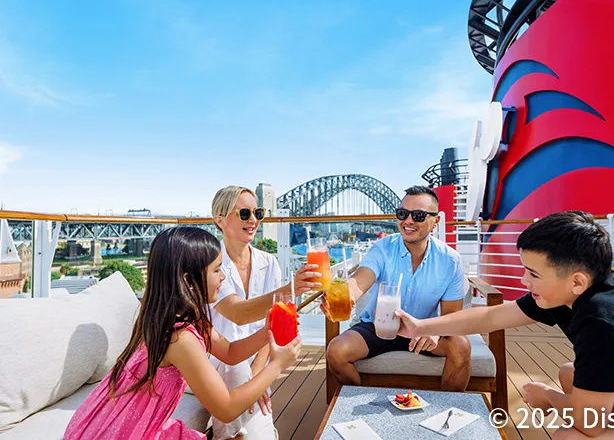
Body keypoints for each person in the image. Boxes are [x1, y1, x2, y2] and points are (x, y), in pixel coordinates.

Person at [395, 211, 614, 439]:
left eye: (533, 274)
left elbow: (589, 423)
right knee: (570, 373)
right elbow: (490, 317)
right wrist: (421, 327)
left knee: (570, 436)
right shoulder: (574, 293)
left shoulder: (602, 322)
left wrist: (548, 397)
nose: (523, 281)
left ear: (577, 281)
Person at [63, 226, 301, 440]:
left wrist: (267, 331)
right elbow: (226, 408)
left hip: (111, 423)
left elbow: (230, 352)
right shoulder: (180, 339)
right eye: (217, 270)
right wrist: (277, 365)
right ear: (189, 281)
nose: (223, 276)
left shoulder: (168, 316)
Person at [322, 185, 471, 391]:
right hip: (378, 326)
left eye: (418, 215)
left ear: (435, 221)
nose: (408, 221)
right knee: (336, 351)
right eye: (402, 214)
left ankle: (446, 407)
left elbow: (452, 316)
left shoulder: (450, 261)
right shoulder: (382, 248)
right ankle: (362, 402)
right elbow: (360, 279)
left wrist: (435, 331)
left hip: (422, 329)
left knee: (461, 346)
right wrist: (345, 294)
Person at [209, 186, 320, 440]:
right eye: (244, 213)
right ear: (220, 220)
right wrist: (291, 288)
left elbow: (271, 328)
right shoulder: (210, 264)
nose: (254, 220)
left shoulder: (269, 262)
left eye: (258, 212)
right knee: (236, 370)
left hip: (254, 362)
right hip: (218, 359)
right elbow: (237, 313)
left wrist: (257, 375)